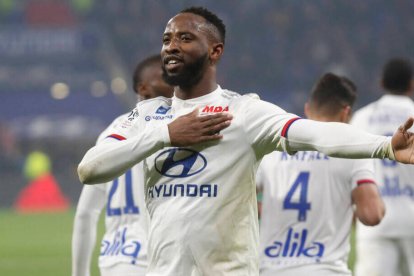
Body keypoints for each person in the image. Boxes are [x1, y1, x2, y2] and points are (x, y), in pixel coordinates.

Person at [77, 7, 414, 276]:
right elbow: (90, 168)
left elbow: (314, 133)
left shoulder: (244, 112)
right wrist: (166, 135)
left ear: (214, 51)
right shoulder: (148, 116)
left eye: (184, 37)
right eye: (166, 39)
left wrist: (384, 146)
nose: (171, 46)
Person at [256, 73, 385, 276]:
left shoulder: (274, 149)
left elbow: (241, 198)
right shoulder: (353, 151)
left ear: (308, 108)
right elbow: (371, 214)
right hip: (325, 269)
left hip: (272, 269)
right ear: (346, 113)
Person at [72, 54, 173, 276]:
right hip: (153, 258)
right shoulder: (172, 129)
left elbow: (86, 213)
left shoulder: (111, 132)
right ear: (143, 88)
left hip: (115, 259)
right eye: (166, 77)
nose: (175, 83)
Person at [352, 58, 414, 276]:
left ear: (381, 83)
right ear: (411, 84)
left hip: (376, 219)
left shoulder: (361, 118)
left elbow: (350, 167)